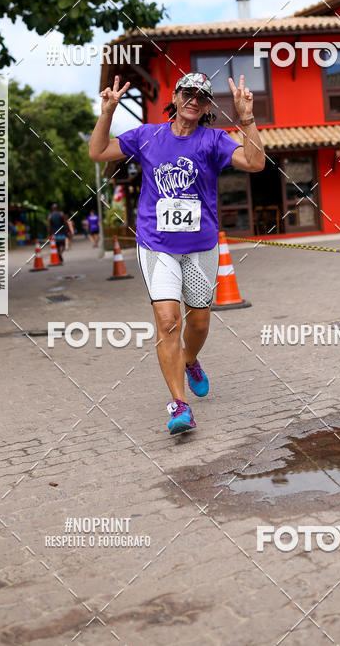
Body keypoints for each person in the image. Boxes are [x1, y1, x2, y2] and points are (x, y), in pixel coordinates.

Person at [89, 71, 266, 435]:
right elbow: (97, 152)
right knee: (169, 322)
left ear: (206, 107)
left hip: (201, 247)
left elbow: (255, 163)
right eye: (188, 93)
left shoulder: (213, 140)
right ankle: (179, 405)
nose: (193, 101)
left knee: (198, 322)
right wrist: (107, 112)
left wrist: (246, 117)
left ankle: (191, 359)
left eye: (202, 98)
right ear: (176, 95)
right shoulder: (147, 135)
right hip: (156, 246)